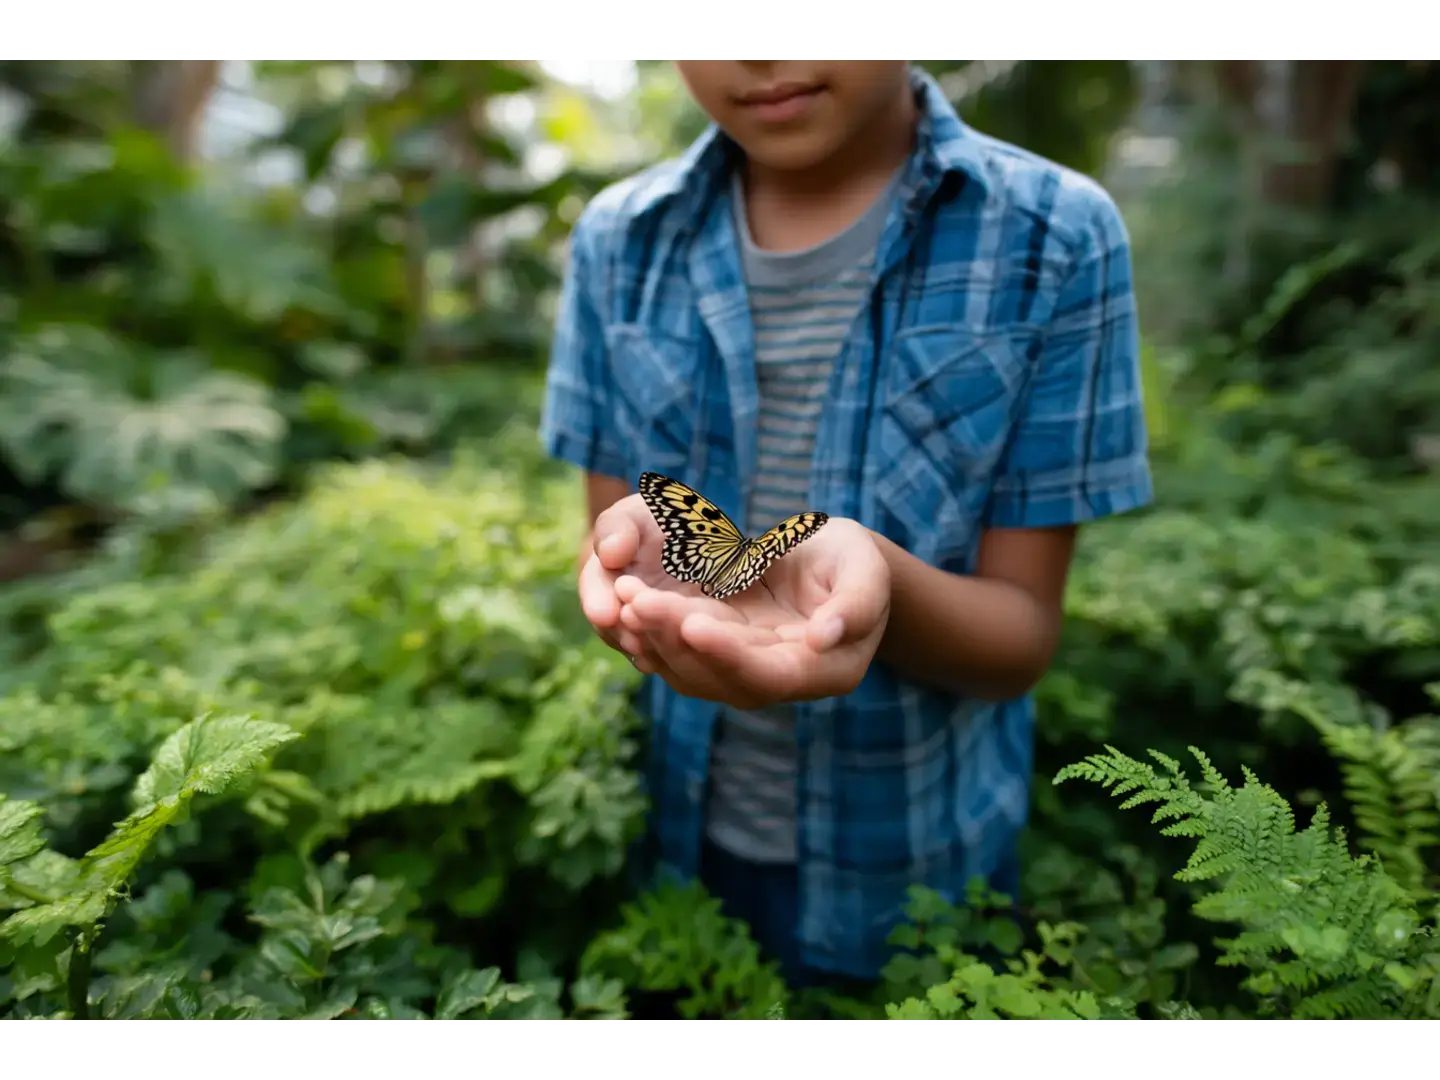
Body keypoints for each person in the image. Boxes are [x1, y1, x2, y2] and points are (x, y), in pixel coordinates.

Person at [540, 58, 1152, 989]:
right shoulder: (619, 241)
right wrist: (626, 575)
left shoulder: (1053, 235)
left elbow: (1021, 637)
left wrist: (881, 579)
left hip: (923, 874)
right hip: (677, 850)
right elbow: (612, 539)